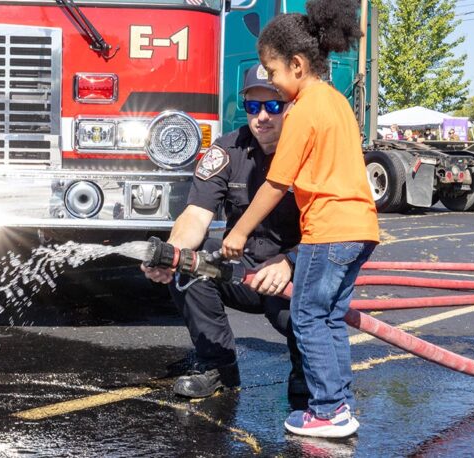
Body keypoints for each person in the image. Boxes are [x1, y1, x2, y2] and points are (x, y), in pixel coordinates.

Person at [220, 0, 379, 438]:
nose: (270, 81)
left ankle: (327, 411)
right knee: (328, 318)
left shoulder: (305, 109)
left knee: (308, 316)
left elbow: (275, 183)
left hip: (328, 230)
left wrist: (238, 231)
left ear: (295, 64)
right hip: (359, 227)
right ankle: (339, 405)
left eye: (270, 72)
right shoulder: (335, 101)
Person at [141, 63, 308, 400]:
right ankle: (218, 368)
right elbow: (196, 214)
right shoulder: (226, 150)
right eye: (253, 106)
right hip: (241, 270)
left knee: (301, 316)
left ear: (291, 106)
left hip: (294, 275)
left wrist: (290, 262)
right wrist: (173, 253)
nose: (262, 116)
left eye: (273, 105)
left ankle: (307, 372)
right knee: (188, 265)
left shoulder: (311, 152)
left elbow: (331, 228)